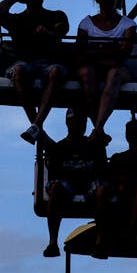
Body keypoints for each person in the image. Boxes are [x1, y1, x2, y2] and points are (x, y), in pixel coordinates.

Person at [0, 0, 69, 144]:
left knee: (55, 71)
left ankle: (36, 126)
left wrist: (47, 33)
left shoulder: (55, 15)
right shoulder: (17, 20)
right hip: (25, 64)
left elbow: (60, 31)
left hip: (48, 63)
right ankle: (37, 127)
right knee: (19, 70)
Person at [75, 0, 137, 143]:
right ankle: (98, 129)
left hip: (116, 68)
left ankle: (97, 128)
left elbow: (123, 53)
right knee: (86, 73)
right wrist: (110, 52)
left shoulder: (128, 24)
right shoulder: (86, 23)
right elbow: (80, 52)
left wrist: (95, 52)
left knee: (114, 74)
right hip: (95, 68)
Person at [43, 107, 106, 258]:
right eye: (76, 122)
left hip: (88, 183)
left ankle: (100, 242)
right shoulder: (59, 148)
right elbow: (54, 176)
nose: (80, 126)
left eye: (82, 122)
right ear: (68, 123)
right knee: (56, 189)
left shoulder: (94, 146)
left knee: (101, 191)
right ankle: (52, 242)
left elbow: (102, 170)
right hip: (68, 185)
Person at [101, 117, 137, 245]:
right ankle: (128, 230)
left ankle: (129, 230)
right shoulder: (119, 159)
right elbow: (109, 178)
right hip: (123, 191)